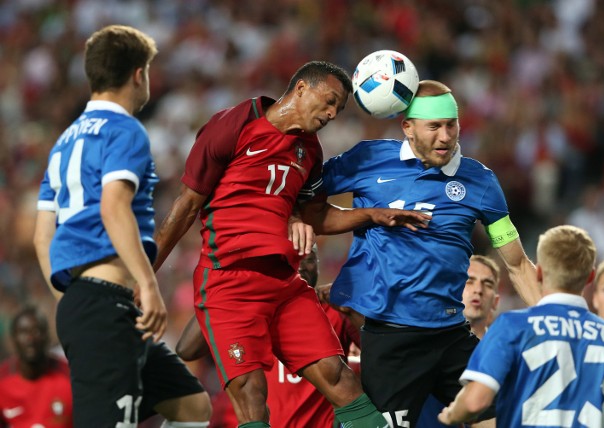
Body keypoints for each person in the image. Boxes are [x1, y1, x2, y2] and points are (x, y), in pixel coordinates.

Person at [152, 60, 428, 427]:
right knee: (252, 396)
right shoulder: (234, 123)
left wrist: (372, 215)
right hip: (228, 280)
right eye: (329, 100)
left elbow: (317, 216)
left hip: (285, 285)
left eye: (339, 108)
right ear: (300, 88)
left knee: (339, 378)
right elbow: (186, 206)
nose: (332, 113)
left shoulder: (310, 152)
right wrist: (145, 271)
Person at [320, 79, 541, 427]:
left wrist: (555, 320)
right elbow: (305, 192)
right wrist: (304, 220)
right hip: (392, 339)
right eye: (434, 126)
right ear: (407, 127)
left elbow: (516, 264)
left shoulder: (480, 181)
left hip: (452, 335)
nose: (445, 136)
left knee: (507, 417)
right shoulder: (368, 159)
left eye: (451, 125)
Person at [32, 25, 211, 427]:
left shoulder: (63, 143)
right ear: (138, 74)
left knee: (192, 406)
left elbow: (43, 236)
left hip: (94, 303)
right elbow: (115, 207)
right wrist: (148, 285)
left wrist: (70, 299)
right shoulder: (125, 129)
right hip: (105, 303)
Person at [438, 225, 604, 427]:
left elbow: (475, 401)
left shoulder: (512, 327)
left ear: (540, 272)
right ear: (590, 277)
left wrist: (452, 415)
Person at [176, 245, 362, 427]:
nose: (302, 265)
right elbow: (187, 349)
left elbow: (377, 355)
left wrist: (352, 311)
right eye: (292, 257)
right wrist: (226, 292)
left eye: (309, 258)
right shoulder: (244, 311)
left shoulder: (333, 310)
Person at [417, 255, 501, 428]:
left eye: (488, 284)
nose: (478, 289)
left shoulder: (505, 357)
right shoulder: (423, 345)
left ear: (496, 301)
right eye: (469, 281)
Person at [0, 305, 72, 428]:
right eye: (23, 332)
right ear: (13, 339)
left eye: (36, 331)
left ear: (47, 337)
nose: (30, 338)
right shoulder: (2, 382)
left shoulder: (69, 377)